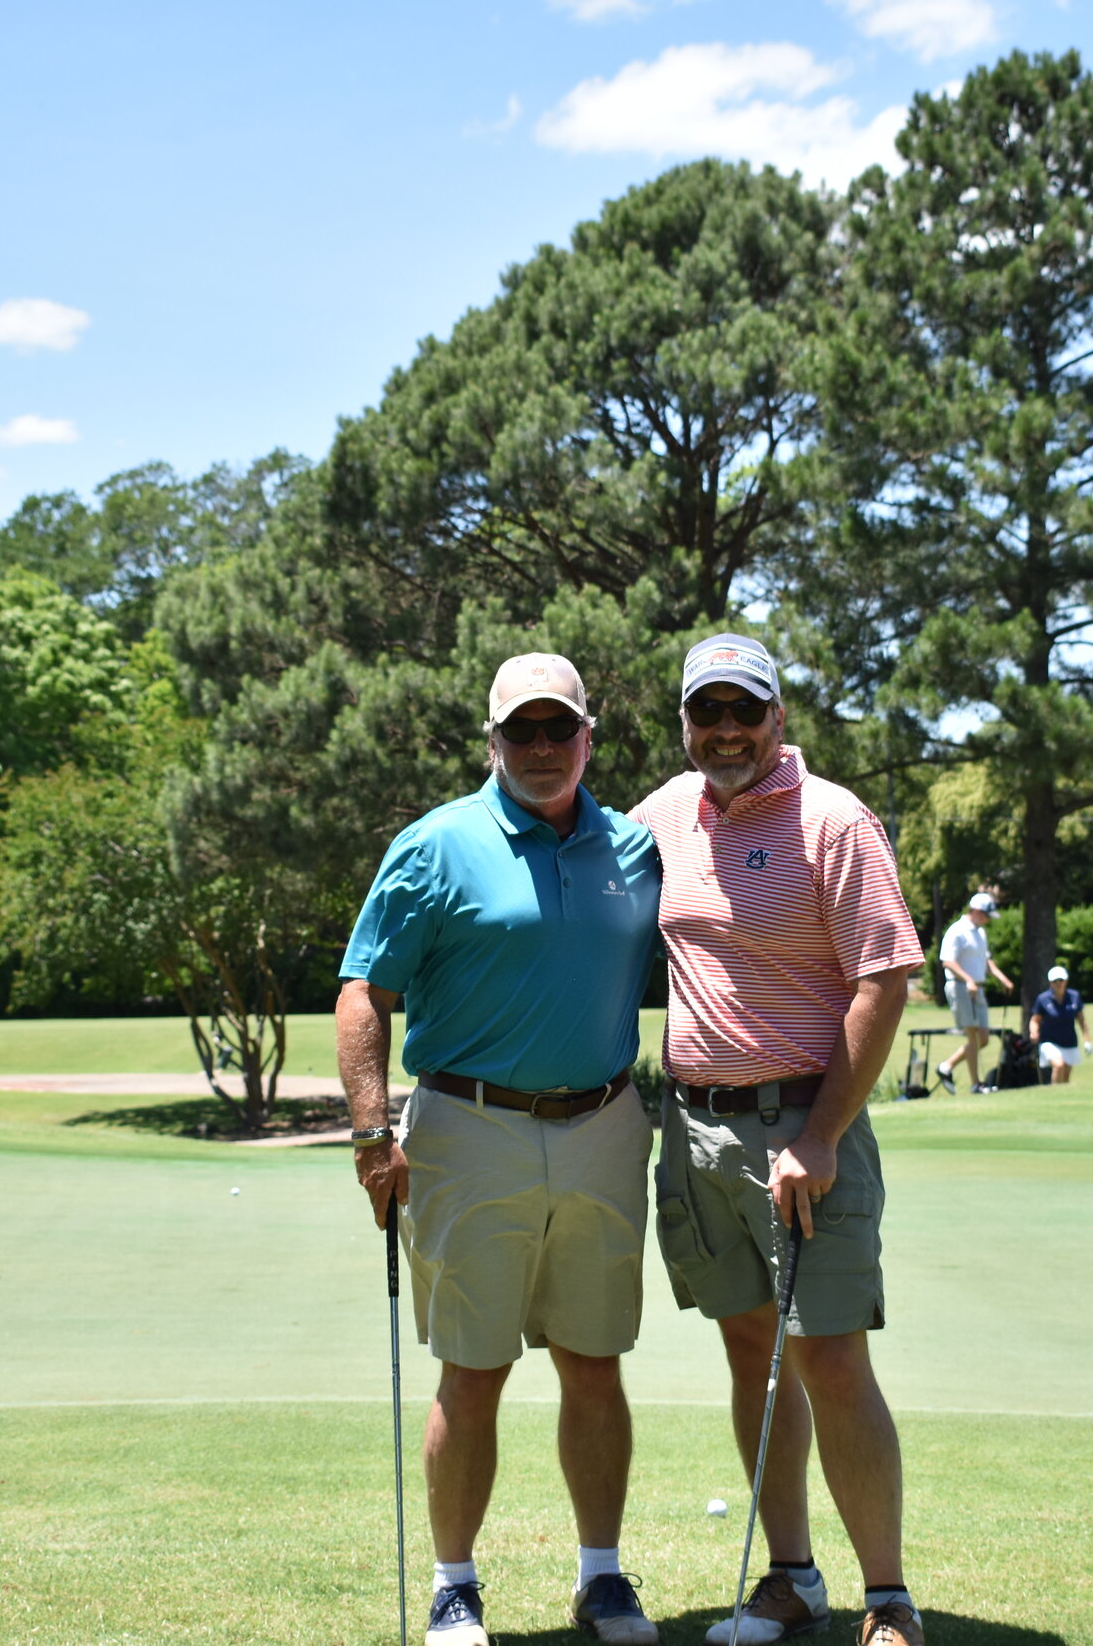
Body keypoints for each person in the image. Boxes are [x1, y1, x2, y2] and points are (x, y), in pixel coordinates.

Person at [337, 652, 665, 1646]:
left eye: (557, 727)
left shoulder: (635, 847)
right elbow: (364, 992)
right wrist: (370, 1131)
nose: (540, 746)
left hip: (605, 1124)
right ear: (492, 741)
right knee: (472, 1369)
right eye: (520, 729)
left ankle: (602, 1577)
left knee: (595, 1361)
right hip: (468, 1127)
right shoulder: (436, 845)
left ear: (587, 736)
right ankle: (454, 1587)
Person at [630, 632, 930, 1646]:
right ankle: (793, 1577)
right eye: (706, 710)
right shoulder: (662, 816)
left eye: (744, 710)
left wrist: (823, 1132)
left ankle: (888, 1600)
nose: (726, 730)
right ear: (685, 721)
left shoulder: (833, 820)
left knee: (830, 1357)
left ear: (777, 716)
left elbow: (884, 980)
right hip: (696, 1131)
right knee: (751, 1349)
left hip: (803, 1127)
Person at [934, 892, 1004, 1093]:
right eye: (987, 915)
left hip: (977, 989)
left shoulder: (980, 933)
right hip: (960, 987)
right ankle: (976, 1084)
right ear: (977, 911)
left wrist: (1002, 978)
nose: (989, 919)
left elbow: (986, 961)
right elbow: (948, 961)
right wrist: (968, 980)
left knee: (984, 1037)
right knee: (973, 1037)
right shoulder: (957, 931)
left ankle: (946, 1066)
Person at [1025, 963, 1093, 1084]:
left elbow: (1082, 1021)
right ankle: (1054, 1092)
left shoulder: (1074, 997)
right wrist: (1034, 1032)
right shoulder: (1043, 999)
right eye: (1055, 981)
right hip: (1049, 1041)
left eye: (1061, 980)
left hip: (1069, 1042)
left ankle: (1061, 1094)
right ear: (1050, 983)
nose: (1058, 983)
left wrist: (1087, 1040)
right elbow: (1035, 1020)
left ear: (1066, 981)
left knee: (1065, 1078)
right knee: (1059, 1065)